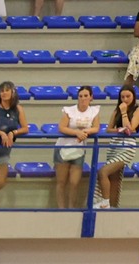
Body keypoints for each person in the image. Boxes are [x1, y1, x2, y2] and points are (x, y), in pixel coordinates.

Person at [53, 84, 99, 212]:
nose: (83, 98)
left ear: (91, 98)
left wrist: (86, 131)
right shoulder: (69, 111)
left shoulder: (94, 111)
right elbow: (62, 127)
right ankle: (61, 209)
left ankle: (71, 208)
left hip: (79, 150)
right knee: (61, 182)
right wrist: (77, 133)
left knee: (74, 182)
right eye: (80, 96)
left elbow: (96, 127)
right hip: (63, 148)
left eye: (85, 96)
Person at [98, 88, 139, 210]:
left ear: (133, 96)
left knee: (103, 172)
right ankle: (113, 207)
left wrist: (124, 113)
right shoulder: (115, 111)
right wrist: (119, 130)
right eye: (122, 97)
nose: (125, 99)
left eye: (128, 96)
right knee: (114, 178)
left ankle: (105, 202)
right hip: (114, 145)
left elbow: (130, 129)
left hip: (127, 147)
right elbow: (109, 129)